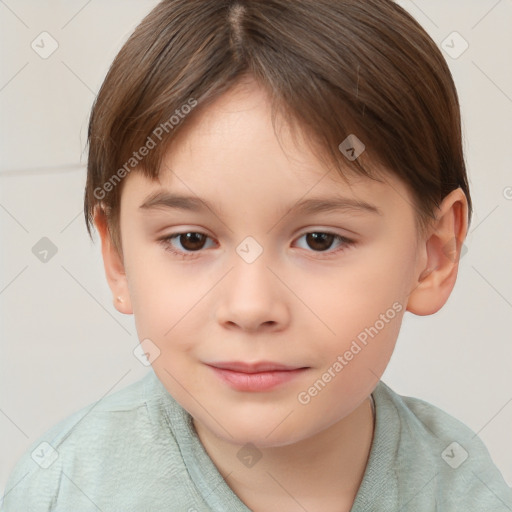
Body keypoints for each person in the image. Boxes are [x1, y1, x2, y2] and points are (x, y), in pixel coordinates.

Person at [2, 0, 511, 510]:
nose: (250, 307)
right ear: (119, 260)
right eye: (191, 240)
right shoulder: (64, 490)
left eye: (320, 240)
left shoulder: (460, 483)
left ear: (434, 254)